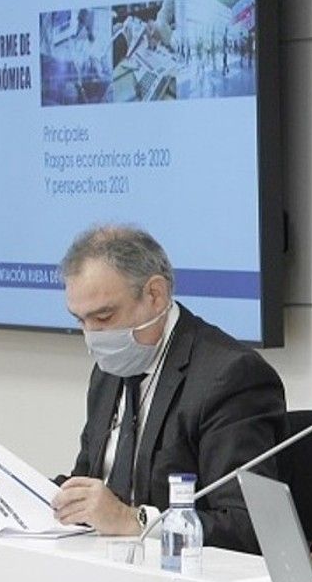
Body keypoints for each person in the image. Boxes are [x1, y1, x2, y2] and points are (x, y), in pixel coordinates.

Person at [53, 225, 286, 553]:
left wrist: (134, 521)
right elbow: (91, 485)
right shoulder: (108, 371)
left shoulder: (230, 376)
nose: (92, 336)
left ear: (155, 294)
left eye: (104, 316)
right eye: (81, 321)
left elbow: (249, 525)